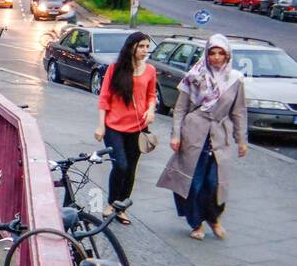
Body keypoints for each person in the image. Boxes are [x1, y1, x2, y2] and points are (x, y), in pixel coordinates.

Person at [156, 35, 248, 240]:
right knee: (192, 183)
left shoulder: (235, 79)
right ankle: (195, 222)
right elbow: (179, 109)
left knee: (215, 183)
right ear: (206, 54)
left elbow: (238, 112)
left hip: (219, 135)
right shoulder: (194, 76)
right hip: (193, 133)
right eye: (212, 53)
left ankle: (214, 218)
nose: (216, 57)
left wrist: (241, 140)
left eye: (220, 53)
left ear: (227, 55)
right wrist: (176, 135)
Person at [93, 32, 157, 224]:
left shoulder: (150, 70)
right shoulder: (115, 69)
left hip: (137, 128)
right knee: (120, 165)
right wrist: (100, 126)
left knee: (130, 170)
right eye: (142, 46)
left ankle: (121, 207)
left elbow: (151, 95)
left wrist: (151, 110)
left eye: (147, 46)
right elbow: (104, 98)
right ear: (132, 47)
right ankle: (111, 202)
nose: (145, 50)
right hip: (114, 127)